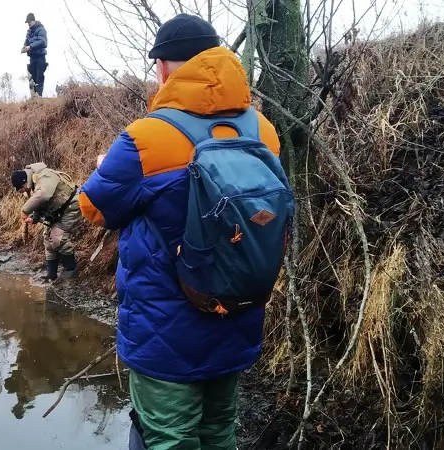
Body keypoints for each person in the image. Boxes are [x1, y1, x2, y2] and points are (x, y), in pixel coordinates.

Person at [78, 13, 287, 450]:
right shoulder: (263, 131)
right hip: (239, 312)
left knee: (168, 438)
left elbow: (92, 207)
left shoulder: (147, 137)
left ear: (164, 67)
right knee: (218, 431)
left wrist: (103, 168)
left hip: (166, 329)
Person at [12, 162, 79, 282]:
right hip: (58, 210)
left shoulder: (45, 176)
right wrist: (34, 218)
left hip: (71, 206)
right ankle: (51, 274)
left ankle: (71, 271)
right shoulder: (34, 184)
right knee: (47, 239)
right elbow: (40, 204)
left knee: (58, 237)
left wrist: (24, 210)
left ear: (24, 182)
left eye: (21, 189)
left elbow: (43, 196)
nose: (22, 191)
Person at [22, 13, 48, 97]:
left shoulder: (41, 29)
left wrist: (30, 46)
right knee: (33, 77)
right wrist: (24, 47)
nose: (28, 24)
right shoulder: (29, 32)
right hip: (32, 57)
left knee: (39, 76)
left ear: (33, 20)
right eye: (27, 22)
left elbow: (43, 42)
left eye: (29, 22)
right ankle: (34, 96)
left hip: (40, 56)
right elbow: (27, 41)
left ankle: (39, 95)